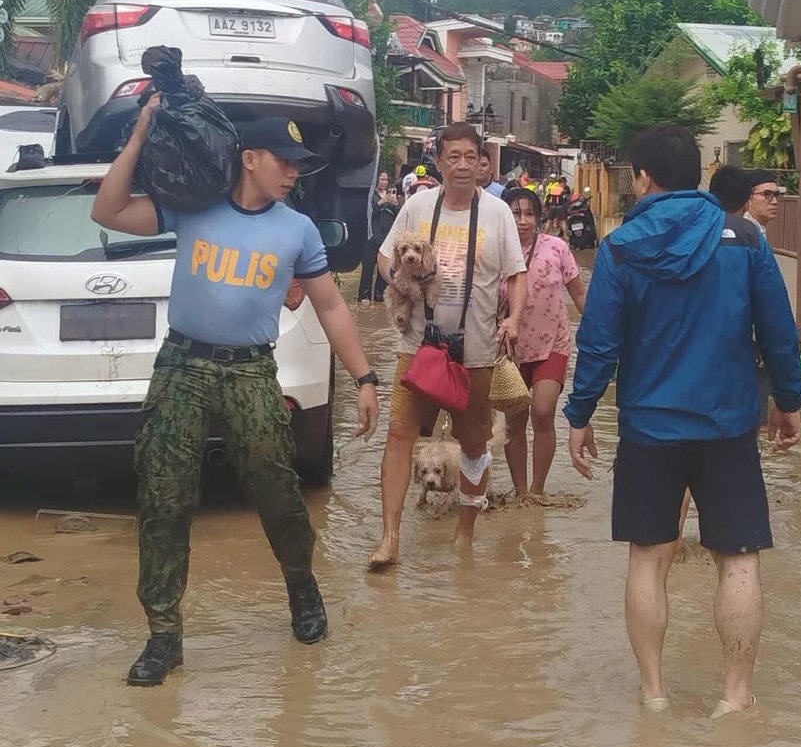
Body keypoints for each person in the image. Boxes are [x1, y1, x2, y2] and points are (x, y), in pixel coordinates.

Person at [92, 104, 380, 686]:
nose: (295, 172)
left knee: (277, 489)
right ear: (249, 159)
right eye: (285, 160)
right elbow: (110, 210)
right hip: (183, 366)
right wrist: (142, 133)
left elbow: (329, 305)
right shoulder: (194, 207)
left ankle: (301, 583)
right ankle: (164, 635)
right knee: (165, 497)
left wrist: (366, 378)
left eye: (301, 164)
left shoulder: (295, 228)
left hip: (250, 371)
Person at [565, 125, 801, 718]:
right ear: (697, 173)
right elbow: (778, 328)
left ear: (642, 178)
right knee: (740, 557)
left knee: (649, 557)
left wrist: (580, 413)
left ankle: (653, 696)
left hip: (649, 428)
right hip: (728, 425)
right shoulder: (745, 237)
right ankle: (735, 698)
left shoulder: (620, 246)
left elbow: (598, 342)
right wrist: (789, 400)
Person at [369, 122, 527, 569]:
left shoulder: (497, 213)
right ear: (438, 162)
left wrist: (514, 318)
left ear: (483, 164)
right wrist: (396, 279)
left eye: (469, 157)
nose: (461, 165)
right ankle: (390, 537)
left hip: (475, 351)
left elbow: (517, 275)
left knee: (474, 442)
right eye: (451, 156)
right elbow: (385, 255)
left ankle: (464, 535)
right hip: (416, 347)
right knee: (400, 434)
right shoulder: (417, 205)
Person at [500, 187, 586, 498]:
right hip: (510, 349)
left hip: (554, 343)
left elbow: (578, 293)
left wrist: (598, 331)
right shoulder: (494, 250)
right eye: (515, 213)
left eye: (528, 214)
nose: (522, 221)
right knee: (514, 420)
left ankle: (537, 491)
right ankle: (520, 492)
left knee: (543, 411)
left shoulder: (557, 248)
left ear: (538, 217)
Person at [358, 171, 399, 305]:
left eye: (386, 180)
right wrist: (381, 202)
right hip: (372, 237)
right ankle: (364, 296)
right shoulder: (371, 196)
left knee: (384, 268)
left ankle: (379, 295)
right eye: (382, 179)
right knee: (368, 268)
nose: (384, 182)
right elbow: (368, 213)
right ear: (376, 181)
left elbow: (398, 217)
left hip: (386, 238)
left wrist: (396, 204)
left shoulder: (391, 196)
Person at [745, 169, 781, 237]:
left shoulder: (758, 228)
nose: (775, 202)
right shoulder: (744, 231)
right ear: (748, 197)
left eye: (776, 194)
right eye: (766, 194)